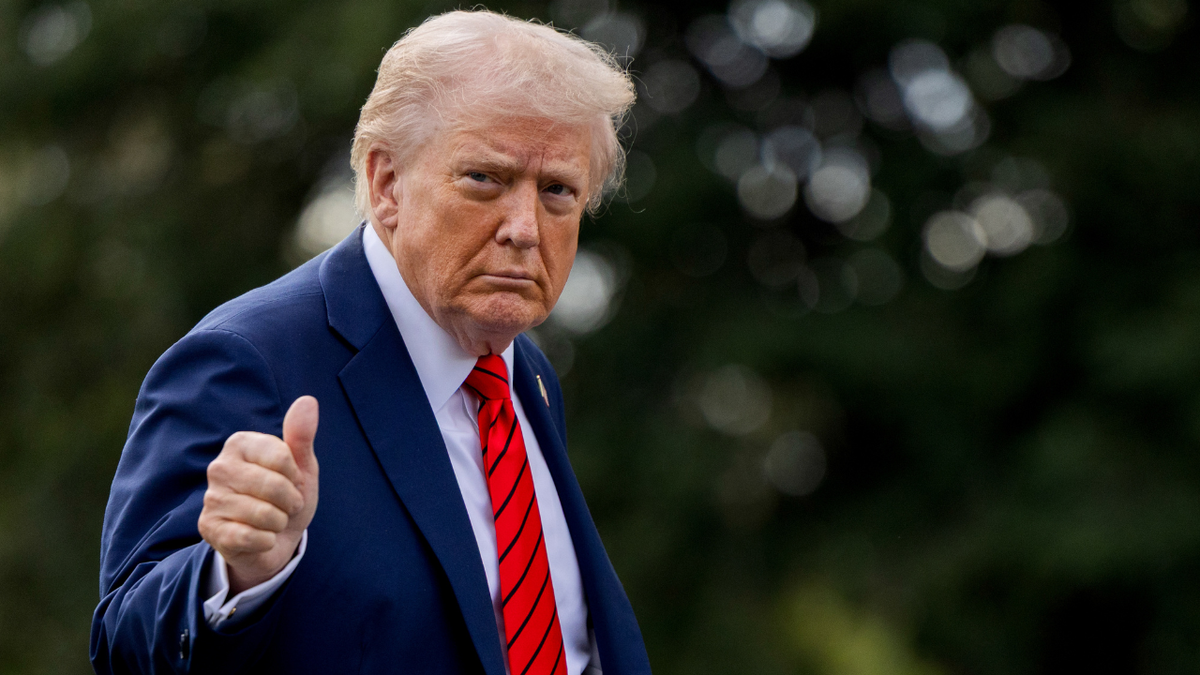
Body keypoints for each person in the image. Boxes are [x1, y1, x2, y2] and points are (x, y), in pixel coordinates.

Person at [90, 10, 650, 675]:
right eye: (485, 179)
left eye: (558, 190)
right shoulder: (246, 359)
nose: (525, 228)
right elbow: (125, 644)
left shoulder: (521, 373)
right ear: (386, 183)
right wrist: (236, 576)